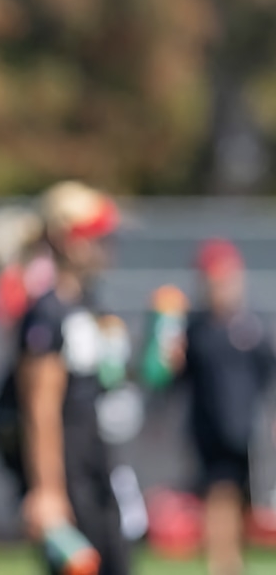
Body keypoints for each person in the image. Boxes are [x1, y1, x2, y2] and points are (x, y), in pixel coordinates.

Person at [8, 181, 130, 575]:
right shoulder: (48, 313)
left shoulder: (92, 306)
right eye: (97, 237)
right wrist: (48, 492)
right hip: (69, 474)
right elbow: (40, 407)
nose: (106, 246)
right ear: (68, 240)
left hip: (99, 467)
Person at [146, 239, 274, 575]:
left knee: (246, 500)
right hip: (209, 428)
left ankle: (234, 560)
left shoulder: (251, 329)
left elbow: (267, 376)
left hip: (247, 431)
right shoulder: (195, 329)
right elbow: (169, 380)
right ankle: (223, 564)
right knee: (219, 492)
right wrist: (167, 360)